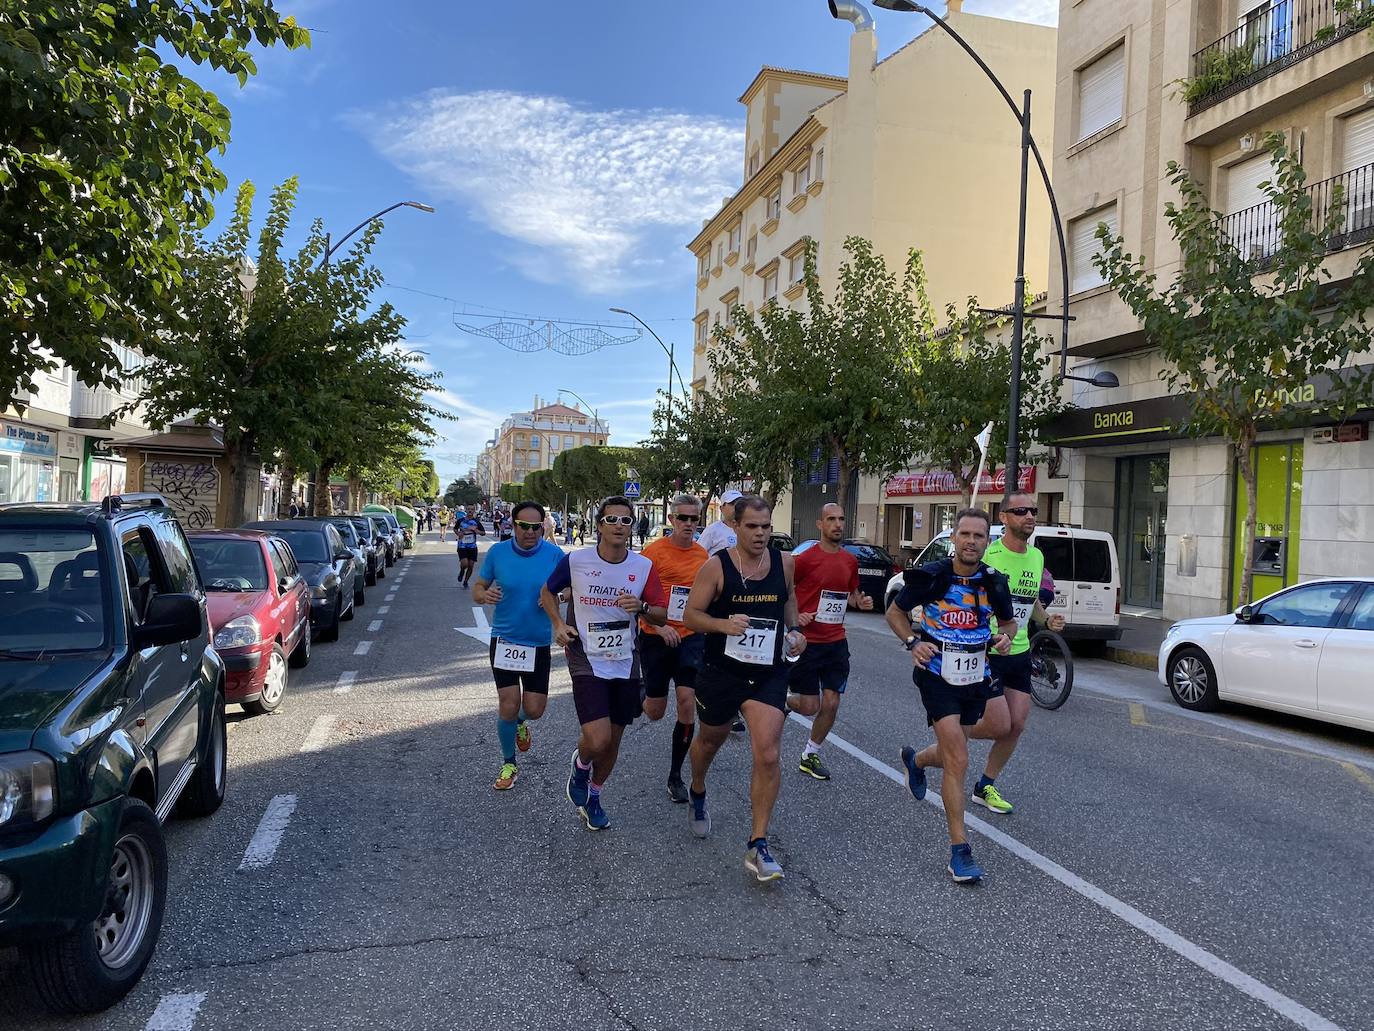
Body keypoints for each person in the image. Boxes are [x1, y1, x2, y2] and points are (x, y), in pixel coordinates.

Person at [886, 508, 1015, 884]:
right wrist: (912, 641)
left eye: (979, 536)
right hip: (937, 673)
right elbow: (895, 612)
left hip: (976, 674)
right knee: (958, 758)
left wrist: (1004, 637)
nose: (972, 541)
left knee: (956, 746)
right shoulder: (932, 576)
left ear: (986, 542)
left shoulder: (993, 581)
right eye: (966, 534)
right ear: (954, 538)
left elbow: (1008, 621)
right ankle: (960, 851)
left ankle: (917, 760)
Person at [683, 495, 805, 883]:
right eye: (752, 526)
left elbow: (789, 605)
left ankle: (758, 843)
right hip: (721, 671)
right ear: (735, 526)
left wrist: (796, 631)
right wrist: (723, 625)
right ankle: (698, 788)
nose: (760, 533)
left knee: (768, 754)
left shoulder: (784, 563)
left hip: (768, 672)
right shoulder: (715, 567)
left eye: (766, 526)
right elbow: (691, 616)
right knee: (709, 740)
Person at [540, 496, 668, 831]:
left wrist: (640, 606)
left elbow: (662, 612)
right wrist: (557, 624)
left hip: (625, 659)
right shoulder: (576, 561)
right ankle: (581, 765)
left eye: (626, 521)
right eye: (612, 519)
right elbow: (547, 592)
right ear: (599, 525)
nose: (619, 526)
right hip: (586, 656)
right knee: (596, 740)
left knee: (613, 740)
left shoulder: (642, 567)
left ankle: (595, 796)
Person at [966, 491, 1066, 815]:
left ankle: (985, 785)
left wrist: (1046, 619)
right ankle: (954, 734)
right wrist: (991, 636)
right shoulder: (990, 556)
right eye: (1021, 510)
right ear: (1004, 517)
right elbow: (971, 605)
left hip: (1019, 651)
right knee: (998, 724)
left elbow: (1031, 602)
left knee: (1016, 724)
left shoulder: (1036, 558)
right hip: (989, 651)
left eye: (1033, 511)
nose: (1030, 516)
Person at [472, 501, 564, 790]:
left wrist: (557, 597)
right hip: (505, 640)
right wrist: (484, 596)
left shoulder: (554, 554)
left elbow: (570, 589)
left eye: (536, 527)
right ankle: (509, 762)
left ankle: (521, 722)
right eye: (524, 526)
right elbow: (478, 587)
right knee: (508, 704)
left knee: (534, 709)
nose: (530, 532)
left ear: (542, 527)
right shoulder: (498, 553)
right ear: (512, 525)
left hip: (537, 643)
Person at [786, 503, 873, 781]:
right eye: (831, 519)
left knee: (832, 702)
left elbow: (850, 594)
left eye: (841, 519)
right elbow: (787, 592)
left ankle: (810, 754)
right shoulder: (806, 559)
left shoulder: (849, 561)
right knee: (810, 705)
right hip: (808, 641)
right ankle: (783, 699)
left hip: (836, 641)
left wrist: (860, 601)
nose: (837, 524)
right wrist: (797, 616)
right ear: (820, 525)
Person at [640, 494, 711, 802]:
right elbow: (636, 600)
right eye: (683, 518)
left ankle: (675, 776)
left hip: (690, 637)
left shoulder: (703, 555)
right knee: (655, 712)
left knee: (686, 702)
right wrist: (659, 625)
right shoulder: (652, 553)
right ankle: (641, 692)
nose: (688, 524)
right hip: (655, 636)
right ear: (671, 520)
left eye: (694, 519)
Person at [697, 488, 742, 557]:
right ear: (721, 508)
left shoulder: (747, 530)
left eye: (739, 504)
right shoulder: (712, 530)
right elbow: (697, 555)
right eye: (732, 504)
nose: (736, 507)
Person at [455, 508, 485, 588]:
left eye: (472, 509)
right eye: (468, 509)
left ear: (474, 511)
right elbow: (455, 528)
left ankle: (466, 581)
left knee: (471, 565)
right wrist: (458, 533)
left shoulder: (476, 521)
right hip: (462, 546)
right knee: (465, 564)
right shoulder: (460, 520)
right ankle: (462, 571)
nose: (470, 511)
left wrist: (477, 531)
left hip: (472, 547)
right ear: (466, 511)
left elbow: (483, 533)